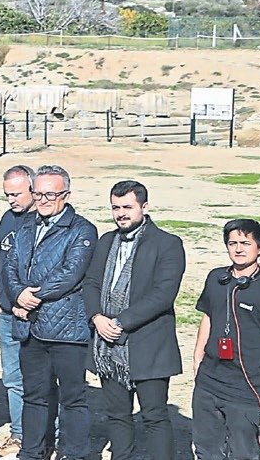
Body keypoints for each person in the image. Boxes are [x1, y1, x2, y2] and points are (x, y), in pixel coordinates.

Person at [81, 180, 184, 460]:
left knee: (154, 416)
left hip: (148, 343)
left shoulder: (167, 244)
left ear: (144, 207)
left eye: (127, 207)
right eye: (116, 208)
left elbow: (163, 294)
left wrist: (120, 322)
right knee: (117, 415)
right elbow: (91, 283)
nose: (121, 214)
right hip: (107, 346)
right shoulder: (106, 241)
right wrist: (97, 317)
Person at [0, 165, 96, 460]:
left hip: (66, 328)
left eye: (50, 194)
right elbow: (10, 265)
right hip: (30, 326)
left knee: (72, 397)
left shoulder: (82, 229)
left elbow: (71, 273)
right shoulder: (26, 227)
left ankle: (74, 453)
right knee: (34, 395)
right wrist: (18, 294)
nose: (42, 200)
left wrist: (33, 295)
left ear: (66, 195)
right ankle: (32, 452)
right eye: (38, 193)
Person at [190, 219, 260, 460]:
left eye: (245, 243)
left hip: (248, 388)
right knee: (206, 450)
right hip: (209, 381)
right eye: (232, 243)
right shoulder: (216, 278)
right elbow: (208, 316)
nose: (238, 249)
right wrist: (197, 357)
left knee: (243, 453)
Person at [0, 164, 36, 458]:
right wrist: (0, 299)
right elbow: (1, 262)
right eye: (7, 194)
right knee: (13, 378)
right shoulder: (7, 218)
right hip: (6, 313)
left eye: (17, 194)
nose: (11, 200)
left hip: (32, 313)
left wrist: (23, 301)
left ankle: (47, 435)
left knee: (39, 379)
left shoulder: (42, 221)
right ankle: (19, 434)